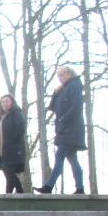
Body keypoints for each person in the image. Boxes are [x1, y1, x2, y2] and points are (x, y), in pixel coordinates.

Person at [35, 66, 86, 194]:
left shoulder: (74, 85)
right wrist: (55, 93)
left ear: (69, 74)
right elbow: (52, 107)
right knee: (72, 158)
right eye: (58, 76)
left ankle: (49, 186)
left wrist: (64, 119)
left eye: (61, 75)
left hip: (71, 129)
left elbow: (77, 106)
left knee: (60, 156)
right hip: (64, 129)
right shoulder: (64, 89)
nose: (59, 79)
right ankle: (80, 188)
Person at [0, 94, 27, 194]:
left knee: (9, 172)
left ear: (12, 102)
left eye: (7, 101)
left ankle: (21, 192)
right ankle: (8, 195)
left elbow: (20, 128)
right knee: (8, 175)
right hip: (2, 150)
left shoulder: (16, 113)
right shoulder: (0, 118)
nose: (4, 104)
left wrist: (13, 141)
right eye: (2, 102)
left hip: (13, 149)